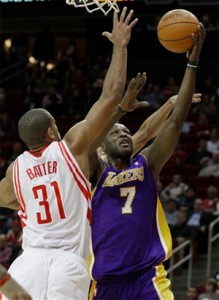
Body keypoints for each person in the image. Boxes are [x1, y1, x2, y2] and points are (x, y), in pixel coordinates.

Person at [0, 7, 140, 299]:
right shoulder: (72, 147)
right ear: (52, 131)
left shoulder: (15, 170)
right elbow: (111, 94)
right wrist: (120, 46)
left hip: (27, 264)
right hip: (68, 264)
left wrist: (29, 202)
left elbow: (10, 199)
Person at [88, 23, 206, 299]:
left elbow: (175, 121)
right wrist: (118, 111)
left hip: (148, 277)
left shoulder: (146, 163)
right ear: (103, 145)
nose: (124, 134)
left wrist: (192, 62)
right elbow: (92, 137)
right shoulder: (92, 172)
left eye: (126, 132)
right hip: (106, 284)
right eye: (116, 132)